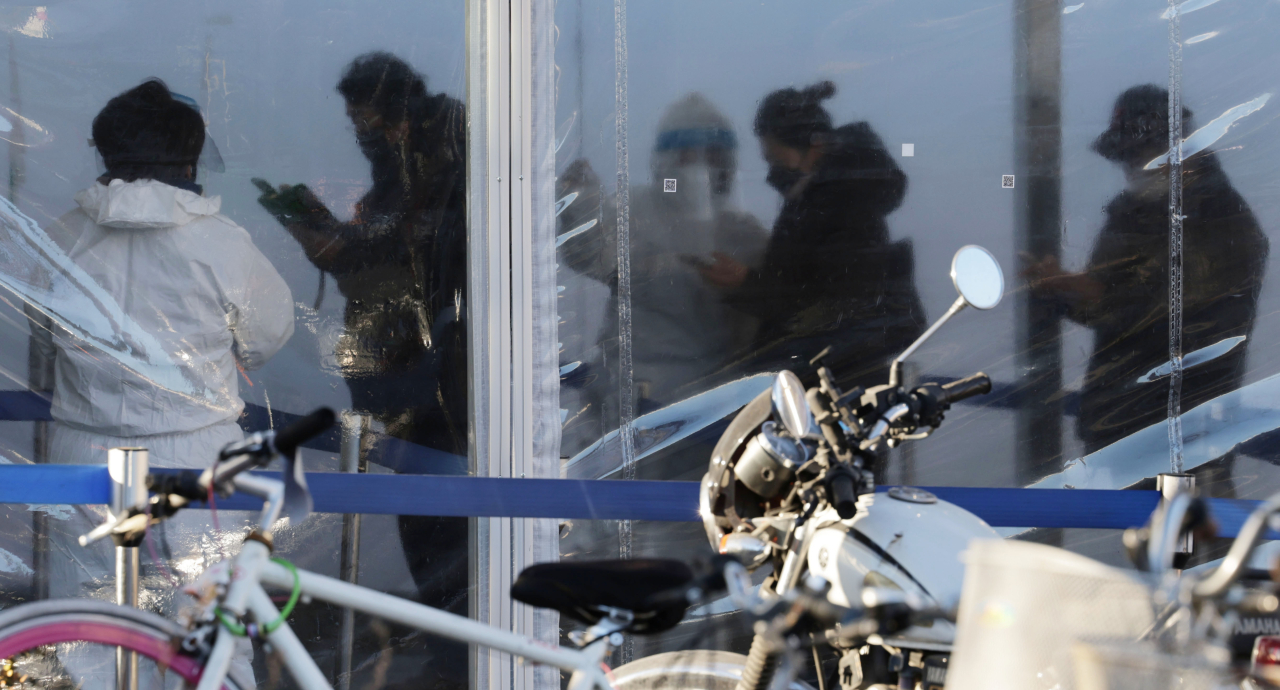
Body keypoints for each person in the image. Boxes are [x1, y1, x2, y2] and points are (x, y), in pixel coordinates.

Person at [40, 78, 293, 687]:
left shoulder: (64, 233)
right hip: (192, 458)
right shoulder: (220, 242)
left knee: (90, 632)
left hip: (86, 456)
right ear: (189, 156)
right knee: (208, 636)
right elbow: (268, 332)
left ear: (106, 154)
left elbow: (43, 321)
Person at [254, 53, 469, 680]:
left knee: (444, 524)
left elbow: (409, 257)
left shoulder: (444, 168)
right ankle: (456, 650)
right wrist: (331, 238)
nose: (363, 135)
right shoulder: (420, 170)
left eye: (367, 121)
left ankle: (462, 656)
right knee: (428, 522)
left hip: (433, 379)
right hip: (408, 373)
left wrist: (328, 241)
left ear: (400, 115)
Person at [1026, 84, 1268, 455]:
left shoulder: (1219, 221)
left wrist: (1075, 288)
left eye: (1135, 152)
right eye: (1124, 155)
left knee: (1176, 513)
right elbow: (1114, 304)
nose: (1128, 166)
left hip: (1183, 439)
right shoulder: (1136, 211)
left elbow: (1161, 314)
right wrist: (1066, 289)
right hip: (1118, 428)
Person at [558, 93, 769, 431]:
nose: (701, 167)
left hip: (714, 400)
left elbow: (777, 302)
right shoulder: (634, 211)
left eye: (713, 156)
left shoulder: (744, 234)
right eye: (688, 156)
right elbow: (589, 254)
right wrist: (580, 205)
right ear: (666, 162)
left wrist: (745, 284)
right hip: (635, 389)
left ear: (727, 163)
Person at [699, 81, 925, 392]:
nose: (773, 173)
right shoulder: (829, 198)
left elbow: (814, 309)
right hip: (833, 376)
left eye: (777, 160)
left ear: (816, 146)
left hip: (830, 385)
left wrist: (744, 283)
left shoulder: (838, 207)